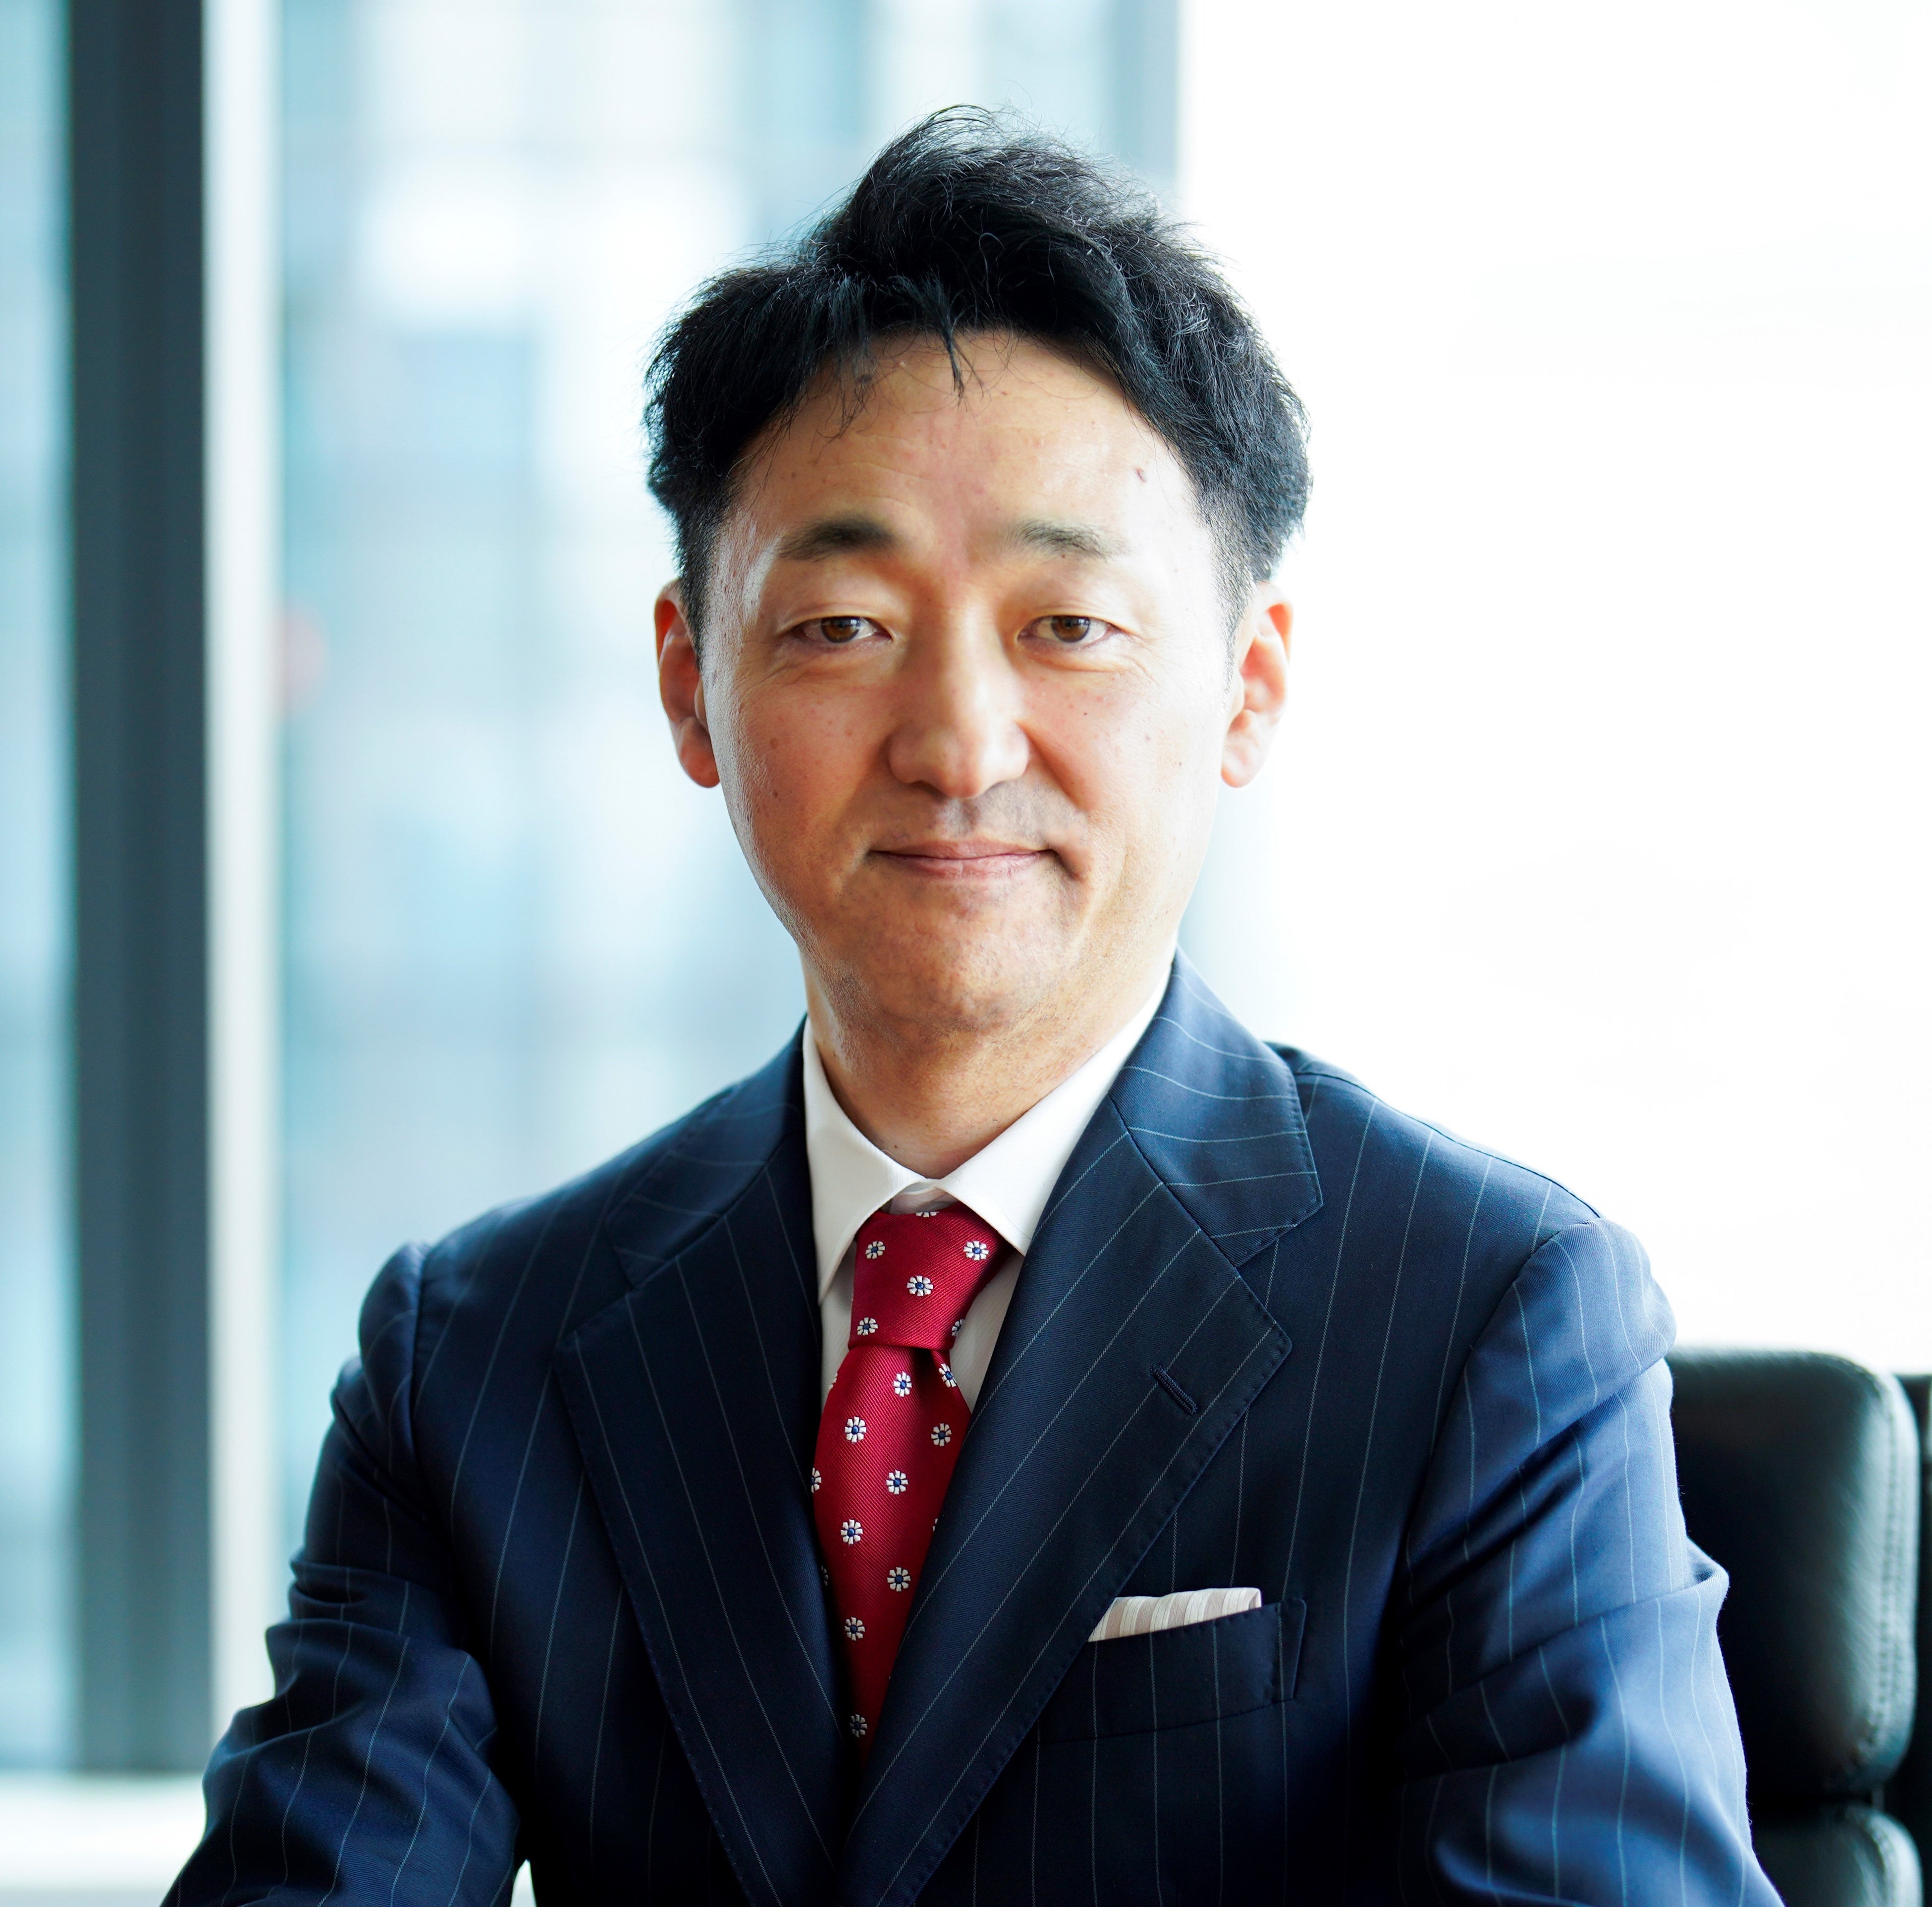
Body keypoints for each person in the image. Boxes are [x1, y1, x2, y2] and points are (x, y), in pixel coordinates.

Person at [170, 111, 1776, 1907]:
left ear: (1245, 690)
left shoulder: (1489, 1315)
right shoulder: (472, 1356)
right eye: (842, 625)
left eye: (1067, 624)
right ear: (689, 684)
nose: (954, 742)